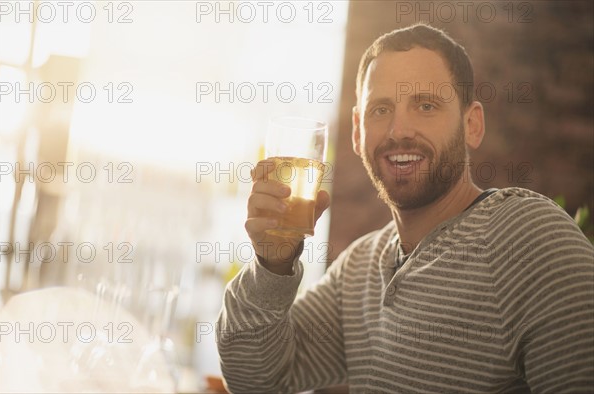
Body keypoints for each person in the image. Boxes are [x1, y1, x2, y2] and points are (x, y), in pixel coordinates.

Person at [216, 23, 594, 393]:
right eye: (380, 110)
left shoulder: (528, 236)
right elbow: (256, 380)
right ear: (357, 132)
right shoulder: (361, 267)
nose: (399, 130)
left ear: (472, 125)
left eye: (425, 105)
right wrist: (272, 265)